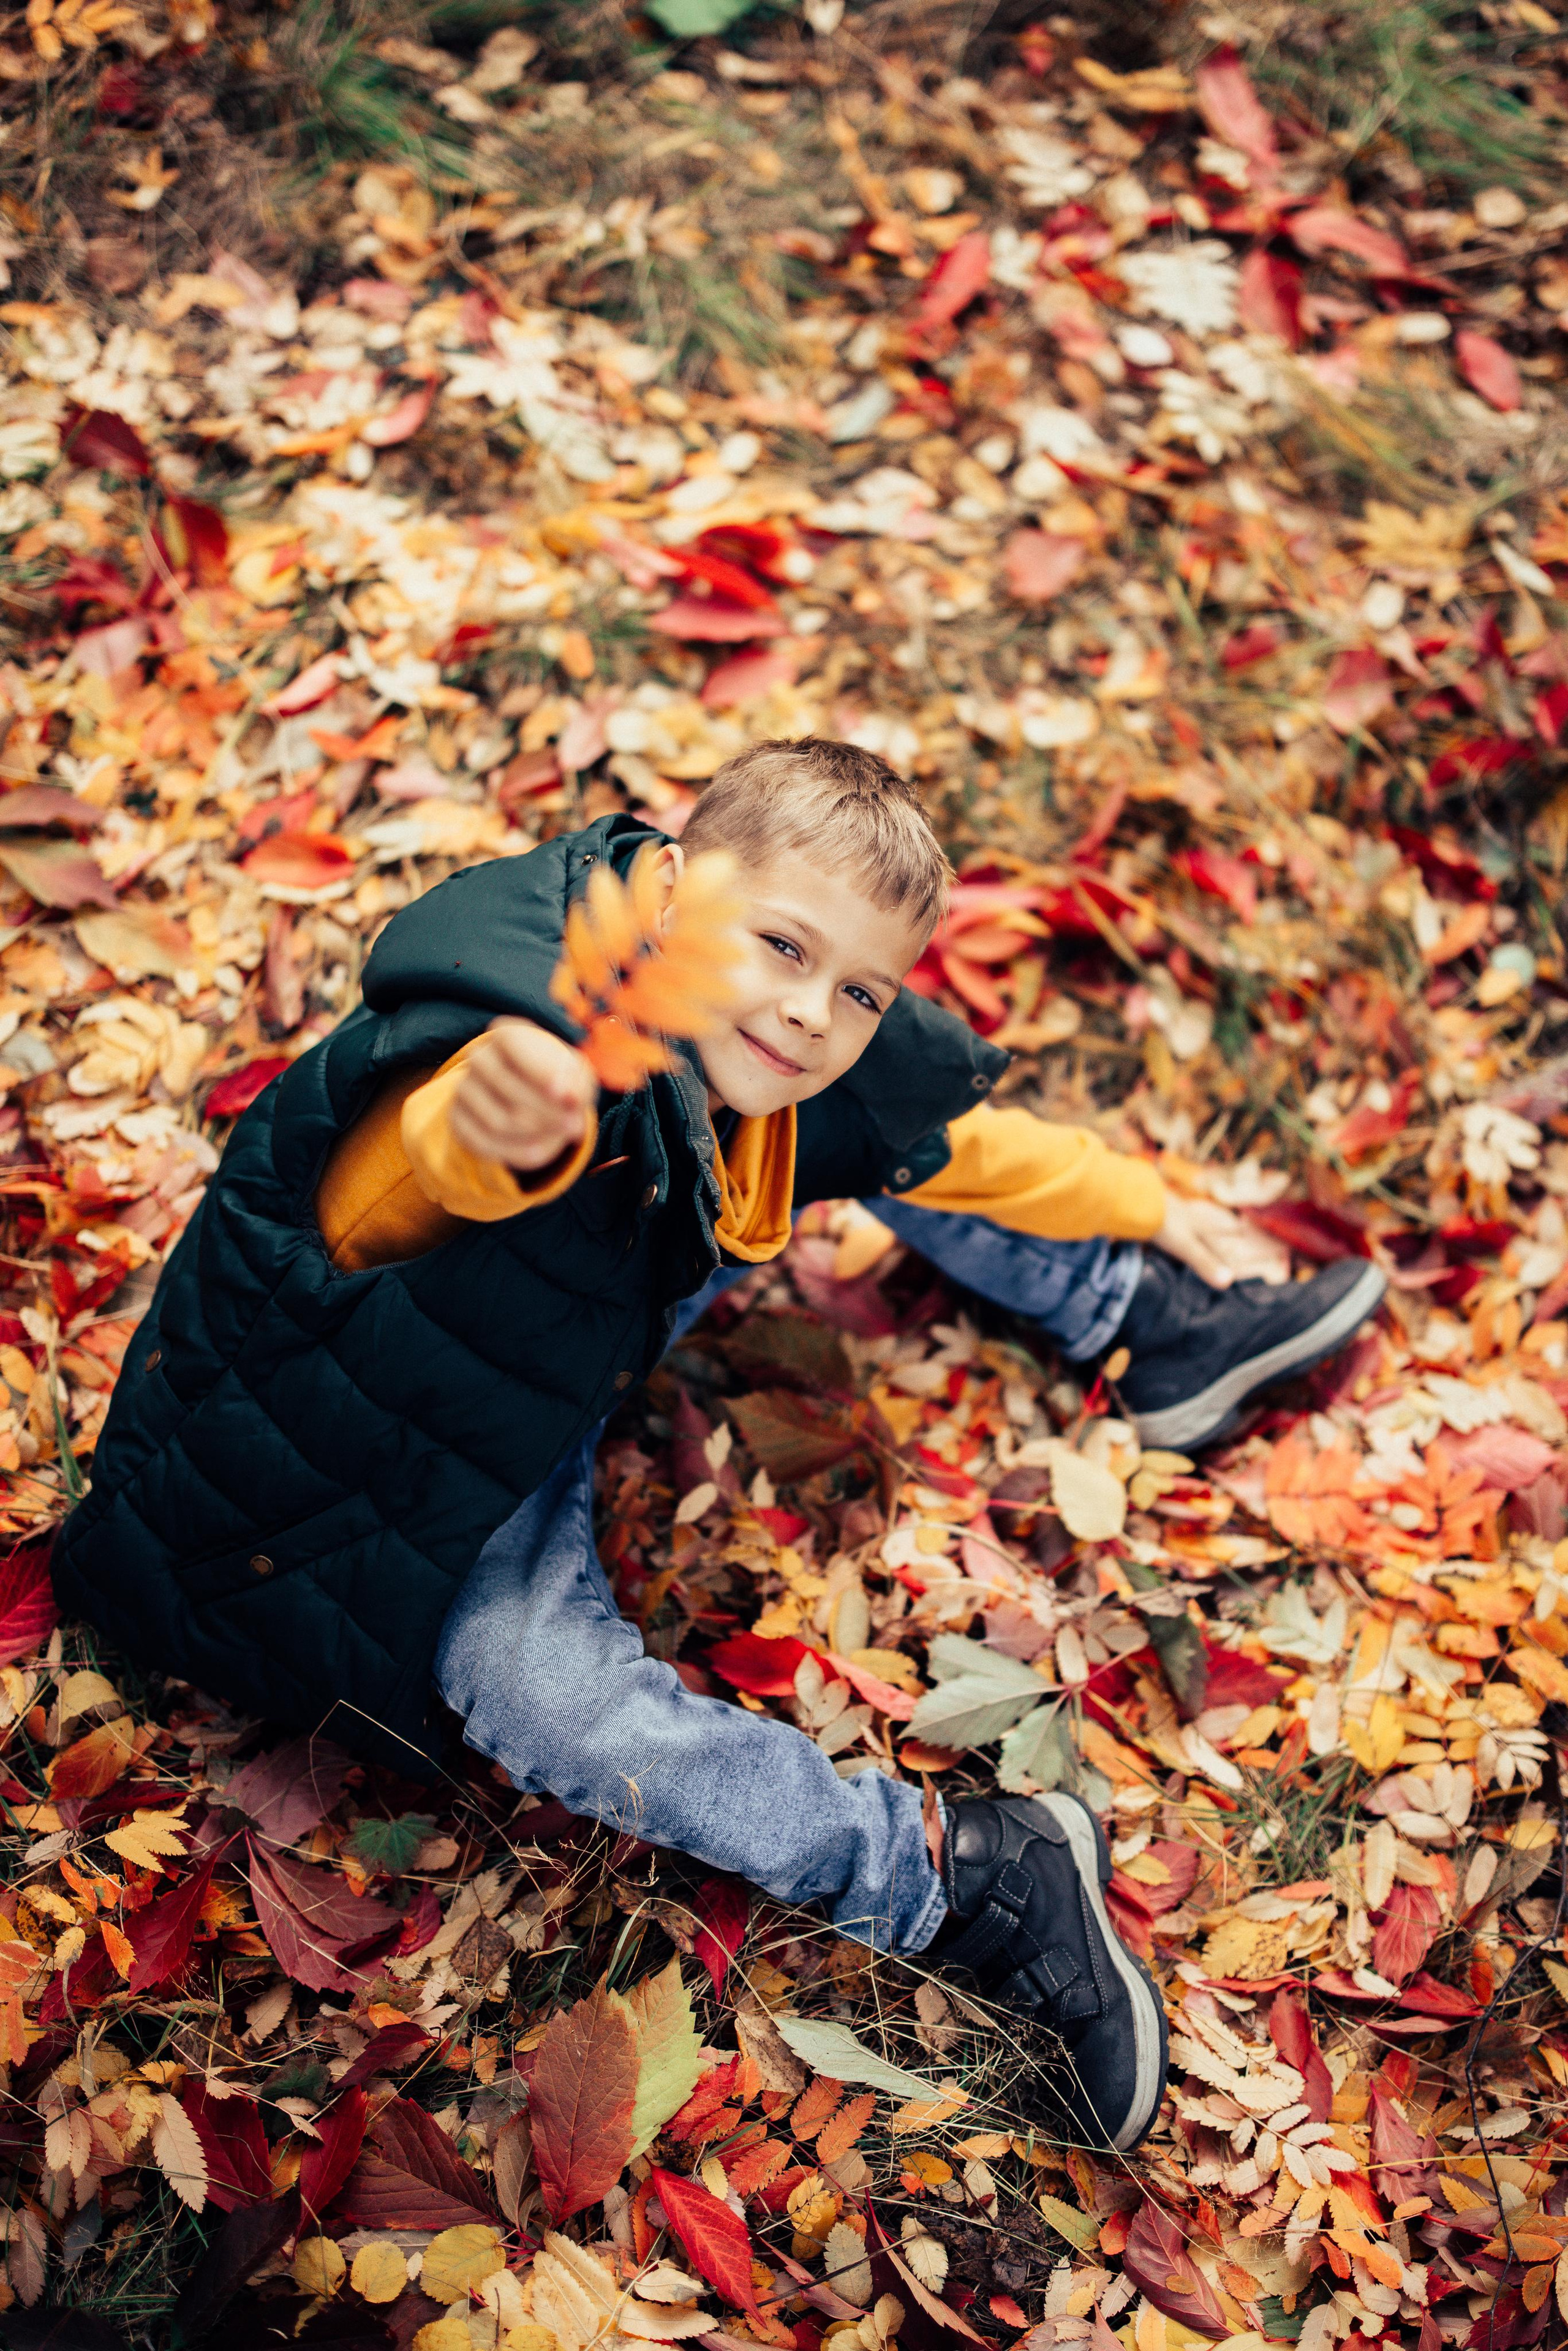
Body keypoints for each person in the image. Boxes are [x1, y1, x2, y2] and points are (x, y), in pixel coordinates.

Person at [54, 741, 1384, 2153]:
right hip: (409, 1440)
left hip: (582, 1317)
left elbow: (946, 1139)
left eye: (860, 987)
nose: (812, 1010)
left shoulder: (775, 1057)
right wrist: (490, 1131)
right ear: (678, 883)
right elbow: (393, 1186)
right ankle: (965, 1870)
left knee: (867, 1128)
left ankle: (1151, 1326)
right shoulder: (526, 1042)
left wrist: (1132, 1202)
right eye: (785, 946)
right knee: (533, 1686)